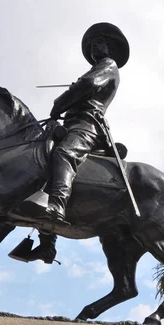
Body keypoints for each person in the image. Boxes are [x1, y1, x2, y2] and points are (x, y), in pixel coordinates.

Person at [45, 22, 129, 224]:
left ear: (110, 47)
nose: (94, 46)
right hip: (72, 124)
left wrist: (60, 103)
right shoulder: (99, 67)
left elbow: (88, 84)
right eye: (92, 43)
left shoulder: (109, 65)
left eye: (99, 42)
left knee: (65, 153)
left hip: (87, 126)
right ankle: (47, 240)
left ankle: (57, 206)